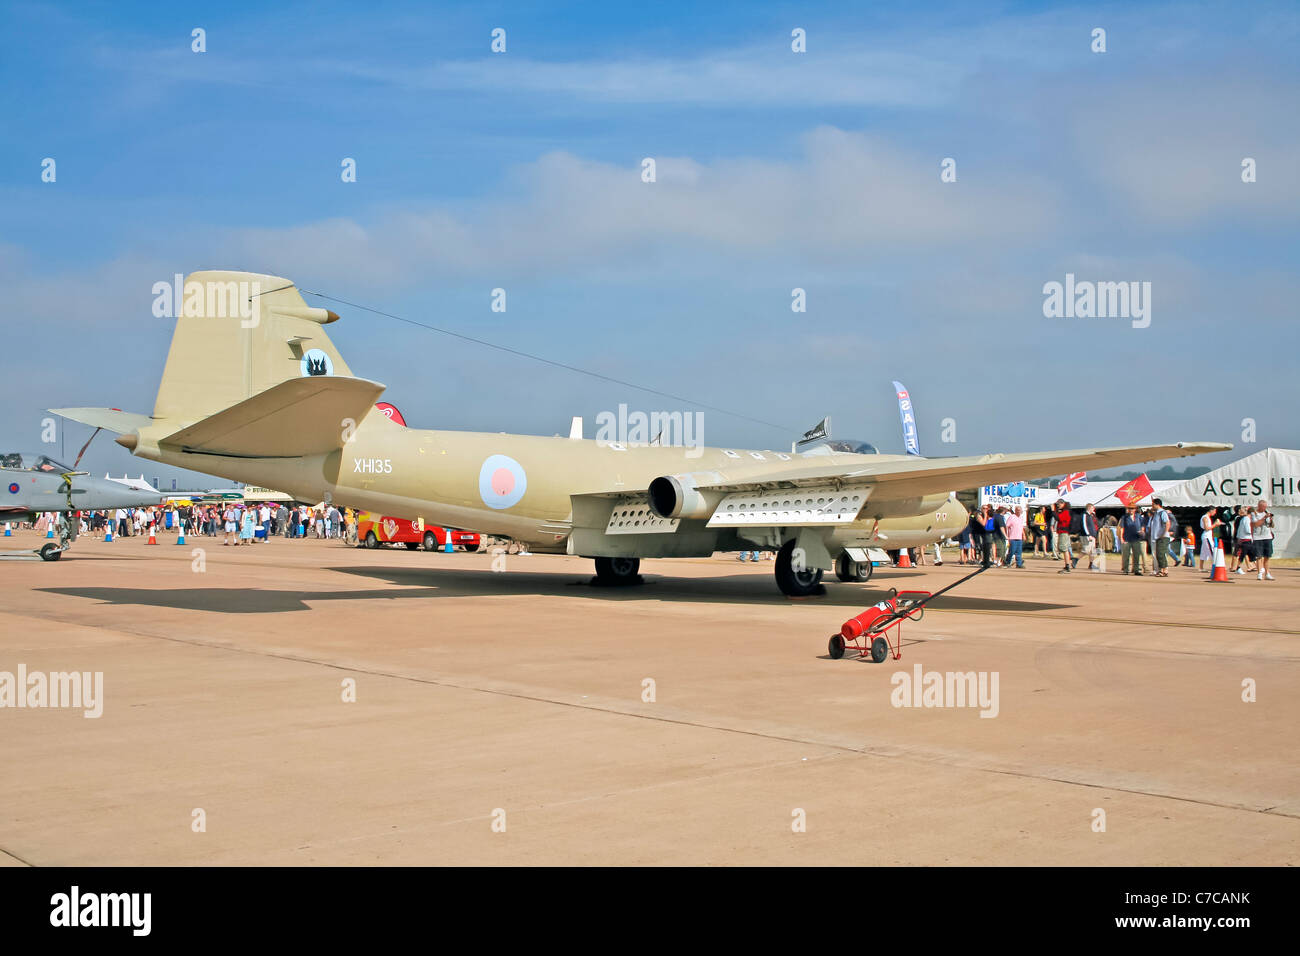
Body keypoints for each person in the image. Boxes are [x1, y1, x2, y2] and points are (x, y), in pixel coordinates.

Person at [1147, 497, 1172, 577]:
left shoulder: (1162, 513)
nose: (1152, 506)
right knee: (1157, 554)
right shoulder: (1155, 514)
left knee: (1161, 554)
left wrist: (1164, 533)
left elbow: (1167, 523)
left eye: (1153, 504)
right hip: (1155, 537)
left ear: (1157, 504)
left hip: (1162, 537)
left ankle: (1163, 570)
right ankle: (1159, 570)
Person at [1251, 499, 1276, 581]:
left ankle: (1267, 573)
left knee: (1267, 556)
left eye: (1266, 506)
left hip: (1267, 536)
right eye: (1263, 507)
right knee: (1259, 556)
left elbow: (1271, 526)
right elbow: (1256, 524)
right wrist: (1264, 518)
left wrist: (1271, 519)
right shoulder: (1254, 513)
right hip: (1258, 537)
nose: (1265, 508)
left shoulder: (1267, 512)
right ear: (1259, 506)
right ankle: (1259, 573)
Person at [1120, 504, 1146, 575]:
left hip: (1136, 538)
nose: (1131, 510)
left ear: (1135, 509)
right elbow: (1122, 528)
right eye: (1130, 508)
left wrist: (1142, 531)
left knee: (1136, 555)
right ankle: (1125, 569)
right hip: (1127, 538)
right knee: (1126, 555)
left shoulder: (1138, 516)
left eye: (1132, 508)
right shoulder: (1124, 517)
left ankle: (1136, 570)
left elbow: (1143, 525)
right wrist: (1121, 538)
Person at [1232, 505, 1254, 574]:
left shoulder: (1244, 519)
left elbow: (1238, 530)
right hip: (1245, 540)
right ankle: (1237, 568)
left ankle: (1258, 567)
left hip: (1244, 539)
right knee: (1242, 555)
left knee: (1252, 554)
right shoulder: (1246, 519)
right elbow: (1247, 530)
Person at [1054, 500, 1073, 573]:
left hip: (1064, 532)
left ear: (1063, 504)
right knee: (1064, 549)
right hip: (1063, 532)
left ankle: (1067, 567)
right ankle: (1067, 565)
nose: (1058, 505)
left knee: (1064, 549)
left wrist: (1053, 511)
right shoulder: (1064, 511)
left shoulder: (1066, 512)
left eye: (1059, 504)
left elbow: (1059, 518)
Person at [1080, 503, 1100, 571]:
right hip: (1088, 535)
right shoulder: (1085, 515)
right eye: (1092, 508)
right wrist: (1088, 535)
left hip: (1093, 535)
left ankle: (1091, 564)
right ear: (1089, 508)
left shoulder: (1091, 516)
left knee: (1092, 551)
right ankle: (1075, 560)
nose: (1093, 509)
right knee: (1086, 551)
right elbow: (1084, 525)